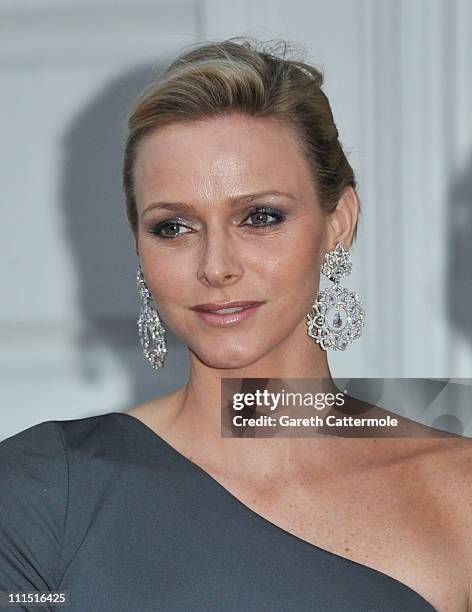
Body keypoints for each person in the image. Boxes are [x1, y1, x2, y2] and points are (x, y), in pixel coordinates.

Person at [1, 38, 471, 612]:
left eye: (260, 217)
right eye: (174, 227)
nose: (215, 267)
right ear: (140, 246)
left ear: (337, 222)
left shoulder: (458, 493)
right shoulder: (43, 490)